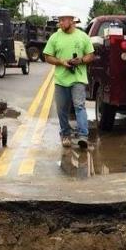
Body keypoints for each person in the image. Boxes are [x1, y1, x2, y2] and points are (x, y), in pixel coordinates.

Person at [43, 9, 94, 148]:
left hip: (78, 78)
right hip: (61, 79)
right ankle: (65, 134)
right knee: (61, 109)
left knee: (79, 106)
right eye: (59, 20)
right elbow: (47, 57)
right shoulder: (55, 37)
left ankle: (83, 135)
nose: (60, 23)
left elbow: (91, 55)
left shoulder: (82, 36)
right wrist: (61, 62)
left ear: (71, 20)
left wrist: (81, 60)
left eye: (62, 20)